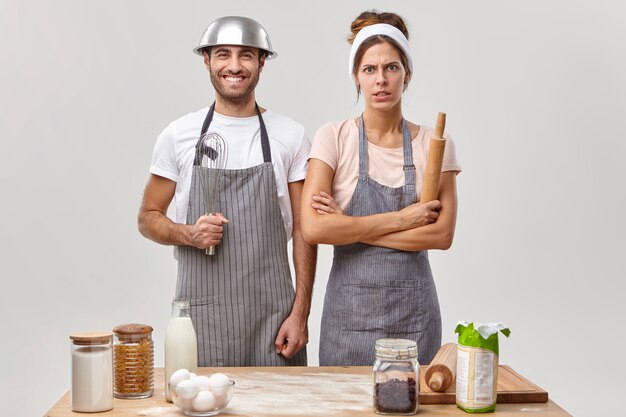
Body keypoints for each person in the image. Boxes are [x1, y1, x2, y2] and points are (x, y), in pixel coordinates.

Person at [138, 16, 316, 366]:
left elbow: (304, 230)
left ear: (262, 61)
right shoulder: (179, 135)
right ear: (207, 60)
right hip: (203, 322)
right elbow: (147, 218)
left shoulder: (290, 135)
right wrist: (188, 233)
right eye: (223, 55)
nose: (234, 66)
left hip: (274, 321)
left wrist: (300, 314)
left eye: (246, 55)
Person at [301, 10, 461, 366]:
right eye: (369, 70)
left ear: (407, 75)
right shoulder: (333, 138)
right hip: (348, 323)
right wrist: (404, 219)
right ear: (356, 77)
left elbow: (441, 235)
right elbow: (313, 228)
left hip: (414, 319)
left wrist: (348, 228)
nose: (381, 80)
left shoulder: (435, 144)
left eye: (391, 68)